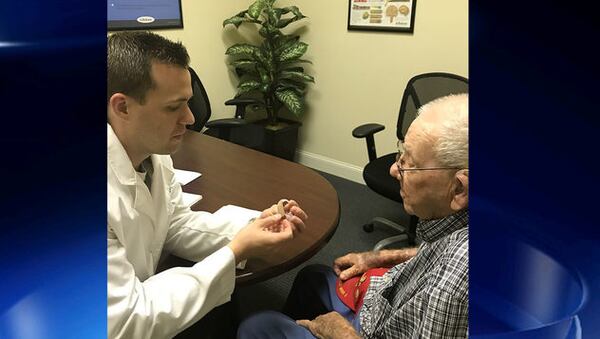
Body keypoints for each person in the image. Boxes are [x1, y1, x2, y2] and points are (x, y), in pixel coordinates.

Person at [107, 31, 308, 339]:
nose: (189, 118)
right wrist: (235, 250)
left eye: (188, 103)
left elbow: (173, 223)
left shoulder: (152, 154)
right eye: (174, 107)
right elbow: (127, 322)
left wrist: (253, 227)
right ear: (122, 107)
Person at [238, 93, 469, 338]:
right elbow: (436, 253)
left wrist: (341, 334)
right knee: (313, 278)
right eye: (400, 155)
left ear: (459, 189)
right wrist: (379, 257)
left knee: (258, 326)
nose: (394, 169)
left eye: (409, 163)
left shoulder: (462, 274)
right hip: (388, 307)